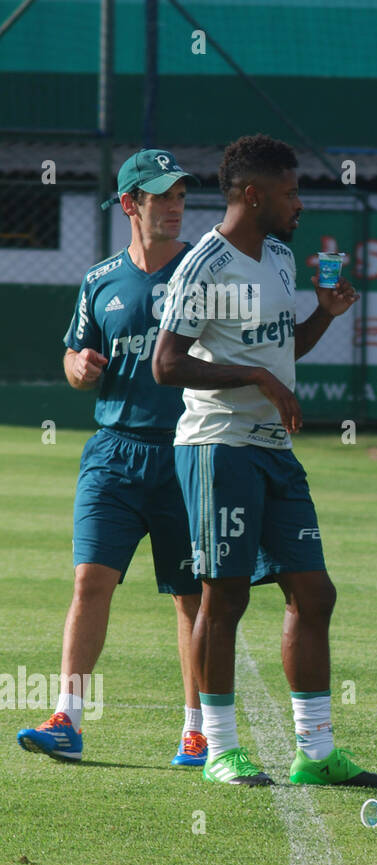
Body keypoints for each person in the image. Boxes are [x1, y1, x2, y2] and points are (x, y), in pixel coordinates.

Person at [153, 133, 377, 788]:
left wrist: (323, 315)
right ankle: (219, 750)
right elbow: (166, 363)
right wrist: (257, 376)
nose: (300, 203)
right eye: (289, 192)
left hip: (274, 453)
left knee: (314, 593)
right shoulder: (205, 264)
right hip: (218, 447)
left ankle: (314, 752)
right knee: (223, 598)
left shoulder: (281, 258)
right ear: (253, 195)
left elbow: (283, 354)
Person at [17, 149, 206, 767]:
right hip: (113, 451)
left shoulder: (205, 273)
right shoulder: (100, 279)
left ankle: (196, 729)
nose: (175, 206)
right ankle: (67, 719)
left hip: (188, 452)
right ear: (131, 204)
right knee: (89, 580)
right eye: (162, 197)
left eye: (180, 195)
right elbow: (75, 359)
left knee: (190, 597)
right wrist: (78, 366)